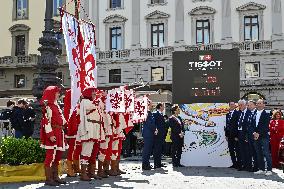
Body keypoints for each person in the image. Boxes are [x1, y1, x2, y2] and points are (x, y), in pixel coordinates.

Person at [40, 86, 68, 186]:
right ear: (52, 94)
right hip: (53, 133)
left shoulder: (56, 105)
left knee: (58, 156)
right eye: (56, 92)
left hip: (59, 132)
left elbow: (62, 120)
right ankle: (49, 178)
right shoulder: (48, 106)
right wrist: (50, 135)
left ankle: (55, 177)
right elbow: (46, 122)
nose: (58, 94)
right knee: (50, 156)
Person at [77, 87, 105, 181]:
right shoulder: (85, 102)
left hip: (95, 128)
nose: (95, 95)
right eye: (93, 93)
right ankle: (83, 173)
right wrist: (99, 97)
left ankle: (91, 172)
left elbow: (101, 106)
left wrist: (99, 98)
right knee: (86, 151)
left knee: (93, 152)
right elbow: (94, 105)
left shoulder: (91, 101)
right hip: (89, 128)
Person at [64, 89, 82, 177]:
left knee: (77, 149)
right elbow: (70, 120)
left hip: (77, 130)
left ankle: (76, 167)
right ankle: (69, 169)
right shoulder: (69, 107)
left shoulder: (74, 105)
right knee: (71, 150)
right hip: (72, 131)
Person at [252, 99, 272, 176]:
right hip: (255, 136)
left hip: (264, 136)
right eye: (257, 103)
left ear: (264, 105)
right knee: (258, 153)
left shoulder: (267, 113)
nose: (259, 105)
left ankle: (269, 170)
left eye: (260, 103)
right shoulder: (254, 113)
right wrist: (254, 133)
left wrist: (258, 133)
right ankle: (261, 169)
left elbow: (266, 126)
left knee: (266, 153)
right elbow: (251, 125)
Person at [142, 101, 157, 170]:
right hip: (148, 133)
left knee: (149, 150)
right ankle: (145, 165)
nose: (152, 106)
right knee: (147, 150)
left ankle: (147, 163)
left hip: (150, 133)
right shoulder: (146, 113)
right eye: (151, 105)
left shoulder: (149, 113)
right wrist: (155, 129)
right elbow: (149, 123)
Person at [236, 99, 251, 171]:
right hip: (239, 133)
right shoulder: (238, 113)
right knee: (241, 150)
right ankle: (243, 165)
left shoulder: (249, 112)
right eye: (239, 105)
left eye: (241, 105)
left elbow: (250, 125)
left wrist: (247, 136)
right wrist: (236, 135)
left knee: (247, 151)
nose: (240, 106)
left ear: (245, 105)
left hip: (246, 134)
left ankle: (248, 166)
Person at [225, 102, 240, 169]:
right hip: (229, 136)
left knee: (237, 150)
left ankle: (239, 164)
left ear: (235, 106)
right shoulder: (227, 114)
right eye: (230, 105)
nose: (232, 106)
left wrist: (237, 136)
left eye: (233, 105)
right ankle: (234, 164)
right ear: (229, 106)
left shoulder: (238, 113)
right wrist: (226, 135)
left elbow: (238, 125)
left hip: (235, 136)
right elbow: (227, 125)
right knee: (231, 150)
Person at [153, 103, 166, 168]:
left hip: (161, 134)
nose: (164, 107)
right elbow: (154, 123)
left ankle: (159, 163)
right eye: (163, 106)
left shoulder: (161, 114)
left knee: (160, 149)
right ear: (160, 106)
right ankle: (156, 163)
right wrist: (155, 130)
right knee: (157, 149)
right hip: (157, 134)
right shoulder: (155, 113)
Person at [247, 100, 258, 172]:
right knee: (252, 152)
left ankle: (257, 167)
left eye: (250, 105)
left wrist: (255, 133)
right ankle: (254, 166)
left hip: (255, 136)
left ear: (255, 105)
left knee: (256, 152)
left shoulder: (257, 113)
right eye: (248, 105)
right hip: (250, 135)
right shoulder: (249, 113)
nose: (249, 106)